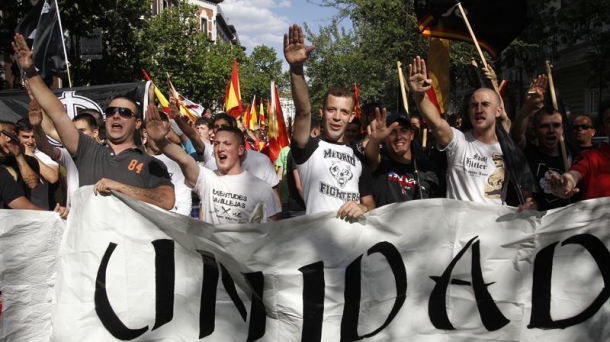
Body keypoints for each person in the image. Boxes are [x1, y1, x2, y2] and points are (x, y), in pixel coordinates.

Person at [13, 33, 175, 210]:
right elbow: (58, 113)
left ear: (137, 123)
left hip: (128, 238)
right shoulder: (88, 150)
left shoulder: (150, 163)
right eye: (111, 111)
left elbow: (166, 200)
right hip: (88, 237)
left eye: (125, 112)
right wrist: (30, 72)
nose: (116, 115)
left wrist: (120, 188)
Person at [407, 56, 536, 210]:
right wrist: (420, 95)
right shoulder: (458, 141)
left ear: (498, 111)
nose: (479, 110)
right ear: (469, 111)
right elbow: (436, 122)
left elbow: (528, 197)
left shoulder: (509, 149)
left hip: (494, 230)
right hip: (460, 231)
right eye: (474, 105)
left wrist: (530, 206)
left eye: (485, 104)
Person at [284, 24, 375, 219]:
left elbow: (370, 203)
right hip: (318, 244)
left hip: (353, 245)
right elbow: (303, 111)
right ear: (322, 112)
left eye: (343, 112)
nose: (336, 117)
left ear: (351, 117)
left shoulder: (359, 158)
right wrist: (296, 68)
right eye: (331, 110)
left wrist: (363, 208)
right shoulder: (308, 149)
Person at [145, 104, 281, 223]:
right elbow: (183, 158)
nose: (220, 148)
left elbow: (272, 228)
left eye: (227, 143)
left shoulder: (262, 189)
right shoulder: (207, 178)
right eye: (216, 143)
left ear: (240, 149)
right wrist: (161, 141)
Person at [511, 75, 575, 210]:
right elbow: (516, 135)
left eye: (556, 125)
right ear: (535, 130)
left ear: (562, 129)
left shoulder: (572, 154)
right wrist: (528, 106)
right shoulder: (529, 153)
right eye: (545, 126)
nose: (551, 131)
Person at [365, 110, 440, 206]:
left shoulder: (427, 170)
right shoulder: (380, 163)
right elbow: (371, 156)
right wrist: (375, 140)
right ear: (385, 136)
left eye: (404, 130)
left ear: (411, 135)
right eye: (392, 132)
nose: (399, 137)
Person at [550, 99, 610, 200]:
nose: (580, 129)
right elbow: (574, 174)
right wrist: (567, 183)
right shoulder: (590, 158)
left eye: (585, 127)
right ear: (602, 127)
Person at [16, 118, 59, 210]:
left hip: (40, 215)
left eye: (33, 137)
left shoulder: (44, 156)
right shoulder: (9, 155)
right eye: (25, 137)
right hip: (14, 214)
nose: (30, 141)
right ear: (16, 136)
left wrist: (28, 152)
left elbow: (53, 178)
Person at [0, 120, 40, 200]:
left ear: (8, 137)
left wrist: (18, 155)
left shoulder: (29, 160)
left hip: (17, 211)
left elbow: (33, 184)